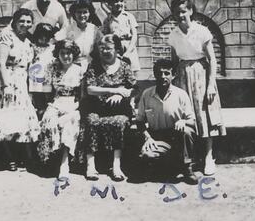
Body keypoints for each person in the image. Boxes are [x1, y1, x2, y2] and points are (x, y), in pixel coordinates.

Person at [167, 0, 226, 176]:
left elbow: (212, 60)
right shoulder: (173, 34)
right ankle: (189, 159)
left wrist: (210, 86)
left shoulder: (201, 31)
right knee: (186, 115)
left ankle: (209, 157)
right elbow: (173, 61)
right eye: (177, 12)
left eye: (183, 11)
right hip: (183, 76)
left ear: (191, 11)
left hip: (201, 74)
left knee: (204, 115)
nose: (180, 15)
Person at [0, 8, 40, 171]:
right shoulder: (7, 36)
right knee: (5, 118)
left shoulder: (28, 40)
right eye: (21, 21)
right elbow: (1, 63)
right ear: (15, 22)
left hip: (22, 82)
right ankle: (10, 159)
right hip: (6, 82)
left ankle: (25, 158)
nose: (25, 24)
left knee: (21, 119)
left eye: (28, 21)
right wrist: (7, 85)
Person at [80, 35, 136, 182]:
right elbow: (90, 89)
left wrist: (123, 94)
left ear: (117, 50)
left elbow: (133, 87)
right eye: (102, 48)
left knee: (119, 122)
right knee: (91, 121)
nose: (104, 51)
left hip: (118, 109)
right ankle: (90, 165)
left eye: (108, 48)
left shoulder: (124, 66)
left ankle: (116, 166)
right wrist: (114, 91)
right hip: (96, 108)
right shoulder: (94, 66)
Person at [135, 59, 199, 185]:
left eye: (166, 73)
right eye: (159, 73)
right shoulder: (147, 94)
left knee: (186, 130)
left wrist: (183, 121)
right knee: (148, 155)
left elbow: (192, 121)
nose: (162, 76)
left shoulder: (181, 94)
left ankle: (187, 168)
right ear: (154, 75)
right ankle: (165, 166)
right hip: (156, 136)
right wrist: (147, 138)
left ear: (173, 75)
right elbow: (139, 122)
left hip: (177, 137)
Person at [36, 40, 83, 179]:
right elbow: (46, 91)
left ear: (73, 54)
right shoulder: (52, 69)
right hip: (56, 102)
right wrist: (51, 106)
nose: (66, 56)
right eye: (62, 53)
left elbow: (82, 95)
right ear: (58, 54)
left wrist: (74, 107)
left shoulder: (79, 70)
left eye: (69, 53)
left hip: (74, 104)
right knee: (49, 120)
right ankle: (51, 160)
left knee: (71, 122)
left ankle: (64, 163)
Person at [55, 0, 103, 75]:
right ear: (74, 13)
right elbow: (55, 41)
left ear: (89, 13)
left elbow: (102, 45)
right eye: (79, 12)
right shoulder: (68, 29)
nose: (82, 15)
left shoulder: (94, 29)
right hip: (71, 65)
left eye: (85, 12)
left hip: (90, 65)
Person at [101, 0, 140, 73]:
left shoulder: (129, 16)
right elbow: (106, 38)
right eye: (116, 1)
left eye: (121, 1)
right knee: (117, 72)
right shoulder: (108, 20)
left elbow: (134, 36)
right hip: (115, 50)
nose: (119, 4)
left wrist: (128, 51)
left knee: (131, 73)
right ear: (110, 3)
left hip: (129, 47)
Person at [28, 23, 56, 118]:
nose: (44, 39)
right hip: (35, 78)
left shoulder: (52, 48)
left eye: (47, 37)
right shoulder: (32, 47)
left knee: (48, 99)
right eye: (42, 36)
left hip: (48, 78)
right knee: (37, 100)